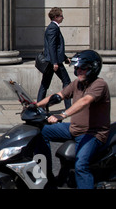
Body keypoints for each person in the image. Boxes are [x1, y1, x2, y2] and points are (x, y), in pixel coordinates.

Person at [35, 50, 111, 189]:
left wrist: (62, 115)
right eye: (76, 68)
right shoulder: (77, 83)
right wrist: (35, 105)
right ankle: (47, 175)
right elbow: (59, 95)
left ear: (93, 68)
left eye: (83, 68)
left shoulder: (99, 84)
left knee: (81, 165)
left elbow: (85, 101)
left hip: (92, 133)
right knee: (41, 131)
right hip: (74, 128)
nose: (78, 71)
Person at [37, 7, 71, 109]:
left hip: (52, 61)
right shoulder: (53, 27)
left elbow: (56, 47)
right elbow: (51, 46)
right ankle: (69, 107)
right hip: (54, 62)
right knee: (67, 83)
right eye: (61, 16)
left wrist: (65, 58)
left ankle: (39, 106)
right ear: (56, 17)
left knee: (45, 84)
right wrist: (55, 62)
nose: (63, 18)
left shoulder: (53, 27)